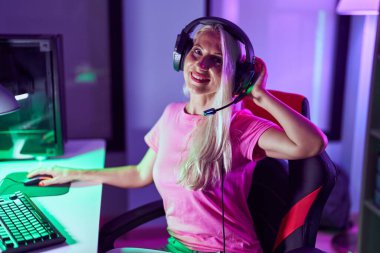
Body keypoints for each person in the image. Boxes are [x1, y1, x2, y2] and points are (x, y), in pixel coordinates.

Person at [28, 17, 327, 253]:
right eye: (197, 51)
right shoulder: (171, 114)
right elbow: (138, 173)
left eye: (218, 60)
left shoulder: (241, 127)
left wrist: (260, 96)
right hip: (176, 246)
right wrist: (71, 172)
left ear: (237, 75)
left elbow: (312, 144)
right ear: (182, 55)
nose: (201, 64)